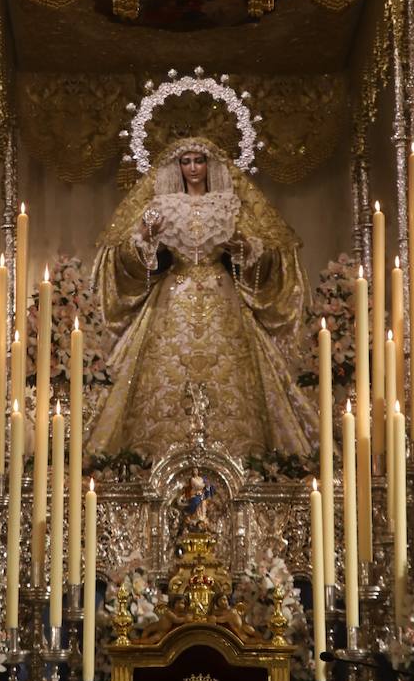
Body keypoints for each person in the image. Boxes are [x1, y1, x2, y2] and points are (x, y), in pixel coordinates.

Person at [88, 136, 317, 459]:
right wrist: (148, 241)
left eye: (199, 160)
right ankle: (154, 455)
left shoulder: (228, 203)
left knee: (233, 374)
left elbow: (262, 249)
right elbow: (129, 251)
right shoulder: (161, 206)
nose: (193, 168)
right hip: (175, 293)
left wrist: (246, 250)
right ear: (176, 167)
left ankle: (241, 455)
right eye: (186, 161)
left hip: (221, 294)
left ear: (210, 165)